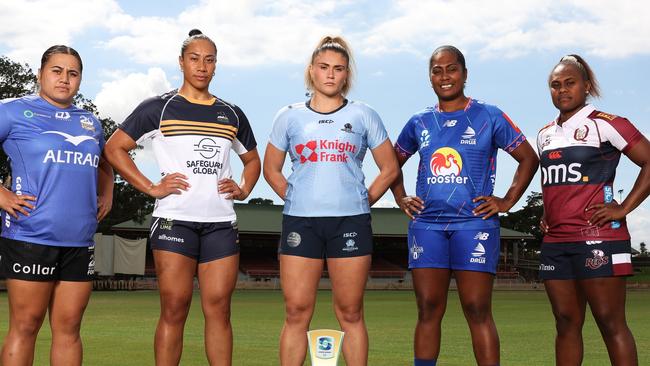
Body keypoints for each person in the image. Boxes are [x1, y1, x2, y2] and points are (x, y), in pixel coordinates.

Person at [103, 29, 260, 366]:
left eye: (209, 59)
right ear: (181, 62)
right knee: (175, 308)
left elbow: (252, 160)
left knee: (219, 309)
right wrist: (150, 187)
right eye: (194, 58)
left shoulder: (232, 113)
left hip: (219, 223)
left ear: (216, 65)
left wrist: (244, 188)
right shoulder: (158, 108)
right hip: (175, 220)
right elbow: (114, 148)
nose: (202, 66)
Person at [391, 45, 538, 366]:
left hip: (474, 225)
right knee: (428, 307)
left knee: (476, 308)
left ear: (465, 73)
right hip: (426, 225)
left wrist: (508, 199)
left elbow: (528, 157)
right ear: (430, 78)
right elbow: (392, 160)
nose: (445, 76)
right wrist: (400, 196)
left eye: (452, 69)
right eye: (437, 70)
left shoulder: (489, 115)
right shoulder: (420, 121)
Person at [263, 35, 399, 366]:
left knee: (350, 311)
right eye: (323, 67)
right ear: (311, 71)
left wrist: (363, 199)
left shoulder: (364, 114)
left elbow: (390, 168)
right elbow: (271, 169)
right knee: (296, 311)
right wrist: (294, 195)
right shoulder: (289, 116)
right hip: (301, 222)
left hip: (350, 221)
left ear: (346, 75)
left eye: (338, 69)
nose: (330, 74)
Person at [0, 45, 114, 366]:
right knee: (25, 326)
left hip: (79, 240)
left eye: (73, 73)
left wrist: (108, 194)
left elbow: (106, 164)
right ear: (40, 74)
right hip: (30, 236)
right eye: (57, 70)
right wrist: (3, 195)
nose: (65, 79)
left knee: (69, 329)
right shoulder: (12, 110)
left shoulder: (90, 122)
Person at [538, 54, 649, 366]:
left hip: (599, 238)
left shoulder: (607, 124)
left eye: (569, 83)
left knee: (609, 322)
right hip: (556, 244)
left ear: (586, 86)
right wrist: (547, 213)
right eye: (555, 85)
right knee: (565, 324)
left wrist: (623, 207)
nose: (562, 90)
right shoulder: (545, 134)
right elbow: (555, 184)